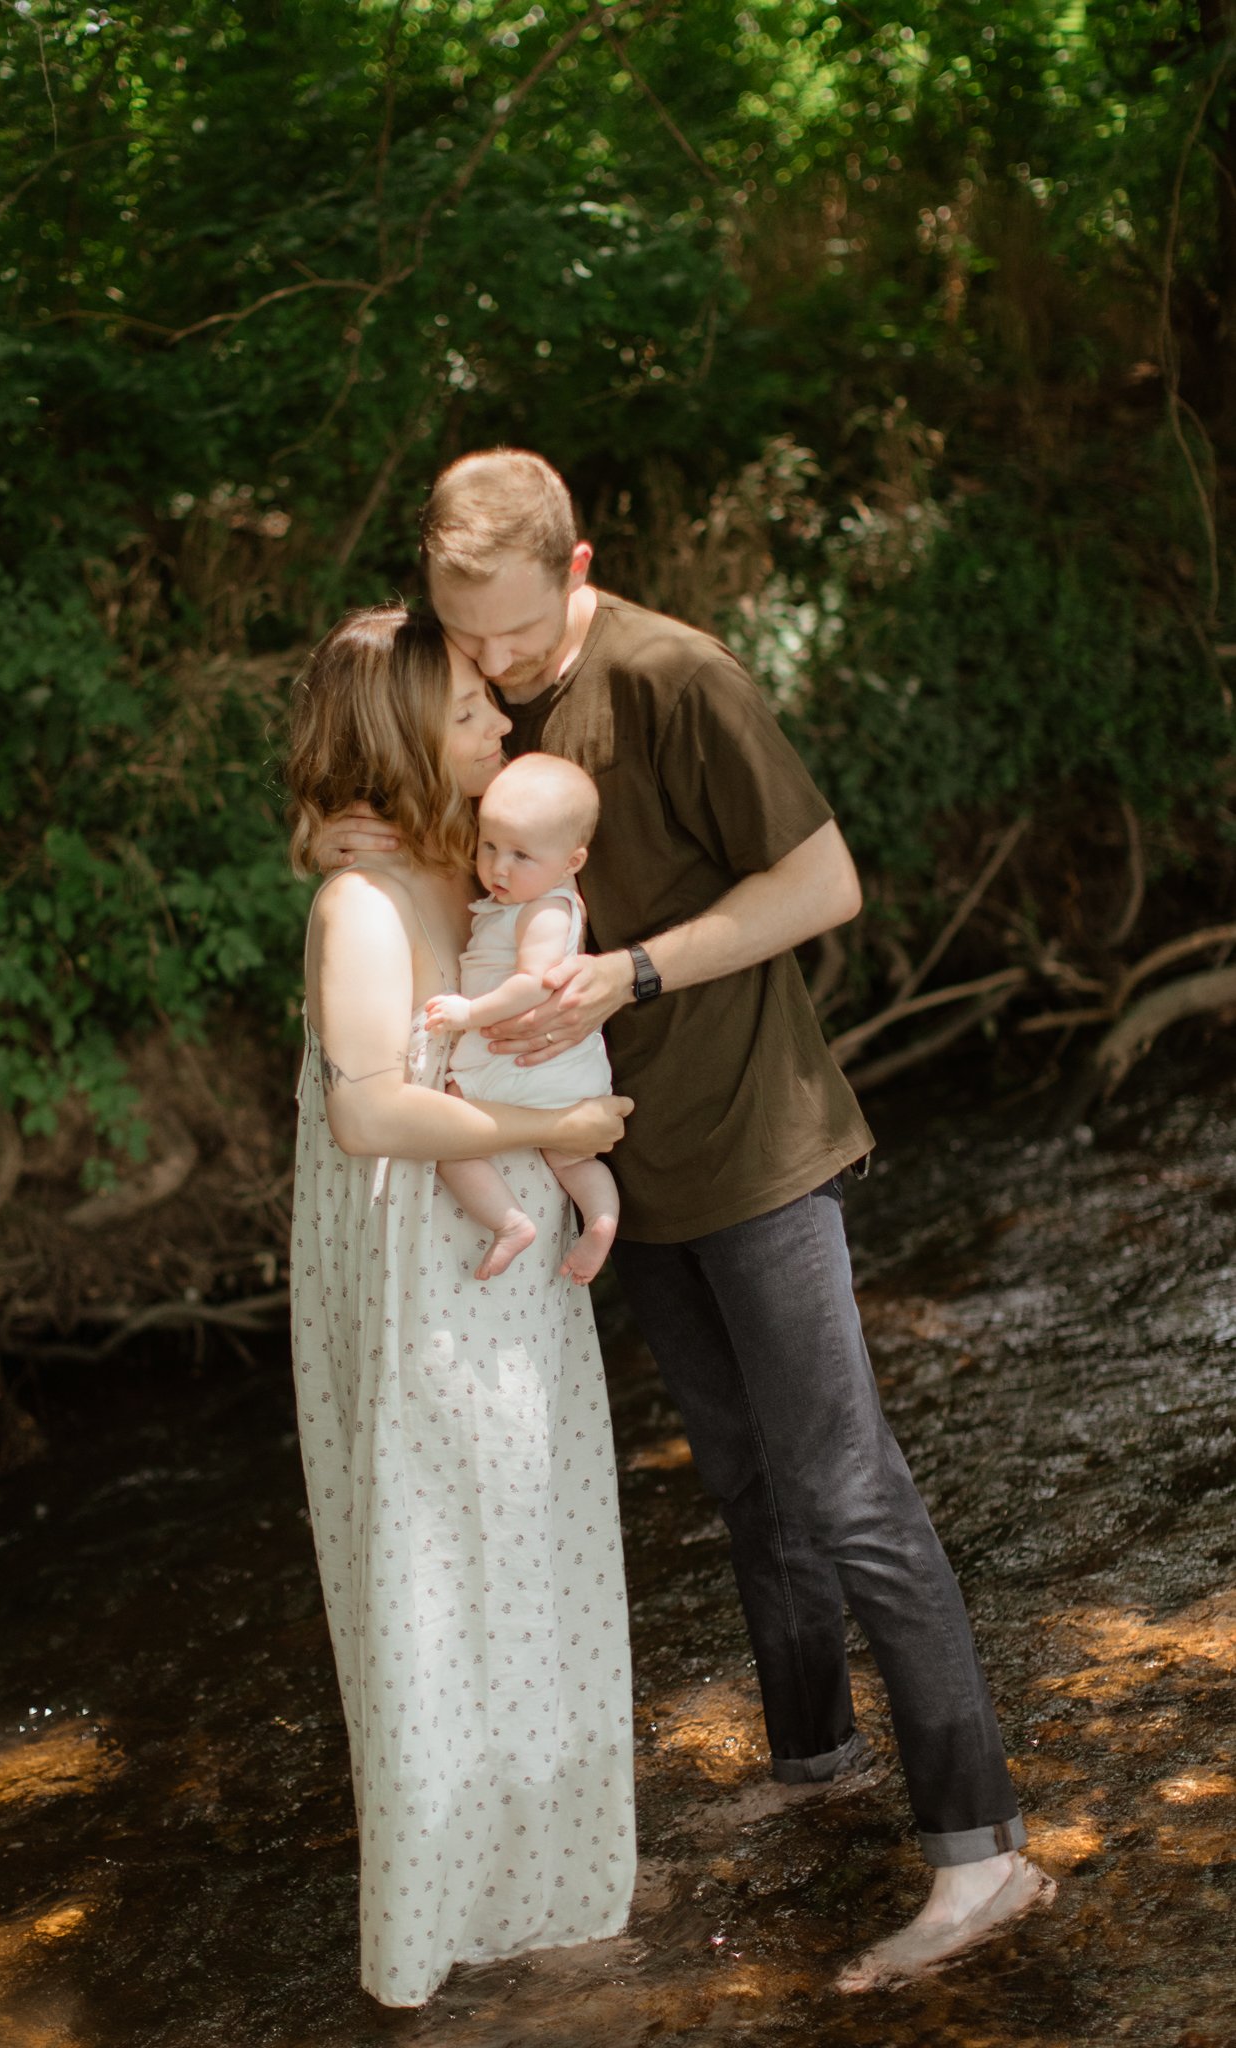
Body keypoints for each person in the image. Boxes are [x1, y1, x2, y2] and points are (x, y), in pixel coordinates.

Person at [325, 450, 1055, 1991]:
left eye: (521, 639)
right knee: (743, 1486)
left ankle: (982, 1858)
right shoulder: (476, 683)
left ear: (578, 564)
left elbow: (827, 885)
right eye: (478, 650)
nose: (502, 676)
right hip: (622, 1161)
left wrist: (632, 971)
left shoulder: (678, 678)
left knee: (847, 1490)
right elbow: (406, 775)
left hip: (757, 1141)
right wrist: (355, 839)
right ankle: (815, 1768)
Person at [284, 603, 637, 2009]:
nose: (505, 727)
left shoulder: (441, 857)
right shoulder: (359, 900)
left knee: (527, 1551)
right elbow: (372, 1115)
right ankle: (439, 1925)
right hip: (426, 1269)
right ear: (410, 734)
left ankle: (542, 1896)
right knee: (436, 1574)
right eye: (478, 710)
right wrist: (576, 1128)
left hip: (493, 1258)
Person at [424, 751, 620, 1286]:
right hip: (554, 1070)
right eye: (489, 846)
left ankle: (510, 1222)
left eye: (520, 855)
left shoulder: (549, 908)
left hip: (522, 1060)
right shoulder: (524, 898)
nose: (498, 867)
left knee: (447, 1137)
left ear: (572, 862)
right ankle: (600, 1218)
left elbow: (534, 982)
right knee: (570, 1160)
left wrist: (470, 1013)